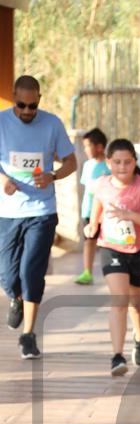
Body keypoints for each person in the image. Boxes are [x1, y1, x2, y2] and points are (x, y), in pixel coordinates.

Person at [0, 75, 77, 359]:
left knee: (31, 272)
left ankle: (28, 335)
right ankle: (16, 297)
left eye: (32, 106)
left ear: (39, 100)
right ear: (14, 98)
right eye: (21, 105)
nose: (27, 111)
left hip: (42, 211)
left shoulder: (52, 123)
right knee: (8, 275)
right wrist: (3, 180)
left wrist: (52, 175)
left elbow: (71, 161)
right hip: (8, 212)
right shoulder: (1, 122)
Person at [84, 138, 140, 376]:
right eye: (117, 162)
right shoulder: (102, 184)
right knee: (119, 300)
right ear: (108, 162)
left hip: (139, 251)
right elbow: (98, 204)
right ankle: (117, 356)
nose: (122, 167)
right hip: (111, 248)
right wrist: (92, 224)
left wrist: (130, 215)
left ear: (134, 162)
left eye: (127, 162)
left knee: (136, 302)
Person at [75, 127, 110, 285]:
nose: (86, 150)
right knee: (89, 241)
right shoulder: (88, 165)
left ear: (100, 147)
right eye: (84, 146)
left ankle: (112, 272)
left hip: (106, 213)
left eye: (88, 146)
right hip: (89, 211)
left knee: (107, 243)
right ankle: (87, 272)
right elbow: (87, 188)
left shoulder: (110, 166)